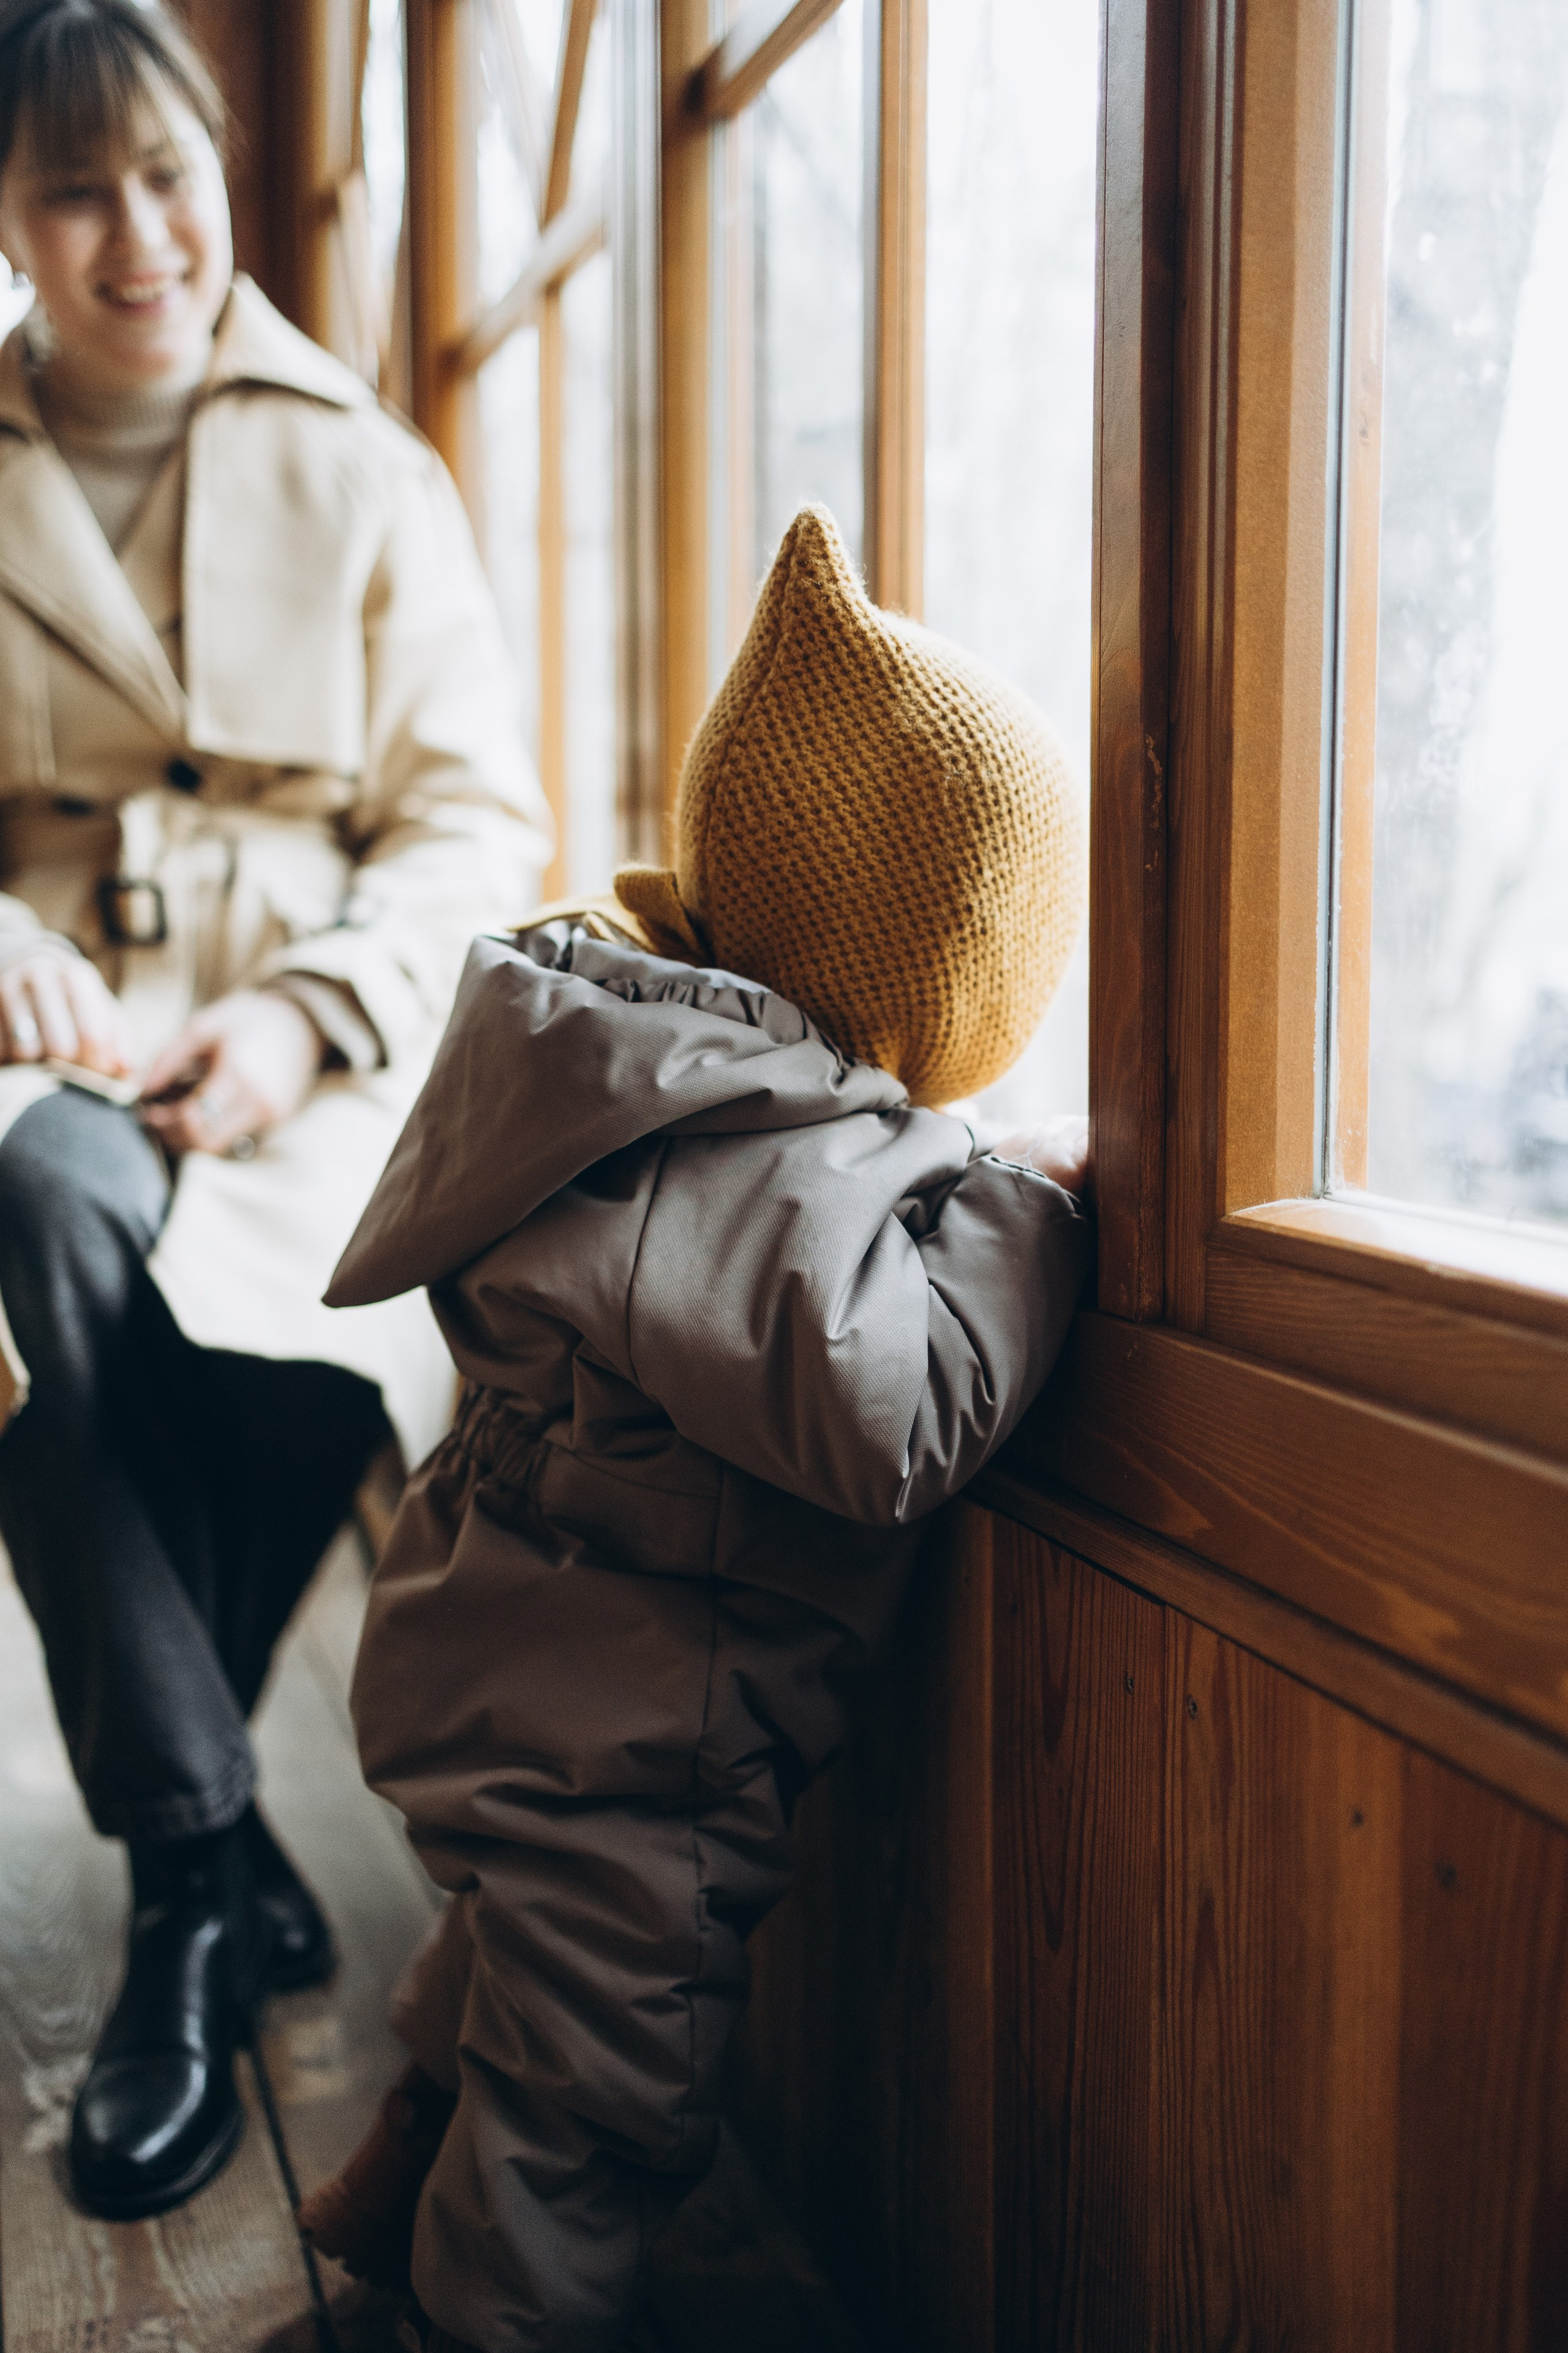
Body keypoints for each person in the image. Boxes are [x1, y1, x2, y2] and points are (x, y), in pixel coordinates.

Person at [299, 506, 1092, 2352]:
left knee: (515, 1937)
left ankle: (401, 2157)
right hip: (633, 1732)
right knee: (589, 2107)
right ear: (938, 967)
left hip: (490, 1654)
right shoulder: (766, 1165)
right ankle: (481, 2311)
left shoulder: (623, 1065)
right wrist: (1022, 1215)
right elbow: (894, 1414)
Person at [0, 0, 549, 2222]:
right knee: (32, 1221)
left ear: (219, 166)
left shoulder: (369, 465)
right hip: (60, 1030)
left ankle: (185, 1886)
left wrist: (313, 1011)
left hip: (321, 1033)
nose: (142, 235)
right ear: (9, 219)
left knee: (311, 1323)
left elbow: (473, 821)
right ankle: (210, 1870)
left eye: (171, 173)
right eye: (72, 188)